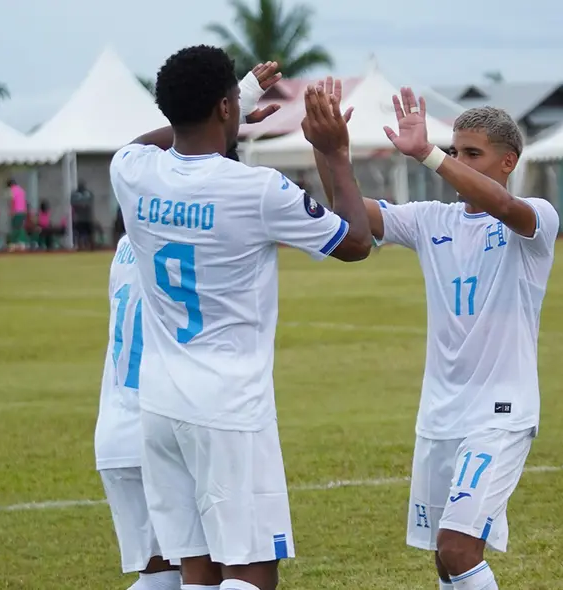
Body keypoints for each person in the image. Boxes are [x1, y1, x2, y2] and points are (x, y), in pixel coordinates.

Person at [110, 47, 372, 590]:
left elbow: (143, 143)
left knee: (199, 573)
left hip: (159, 405)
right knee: (252, 573)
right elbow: (356, 242)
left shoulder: (132, 173)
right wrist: (334, 152)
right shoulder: (256, 189)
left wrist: (235, 99)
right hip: (228, 406)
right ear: (225, 108)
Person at [314, 78, 559, 590]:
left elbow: (502, 206)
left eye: (473, 153)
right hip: (440, 415)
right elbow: (350, 220)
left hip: (499, 415)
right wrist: (331, 151)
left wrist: (427, 154)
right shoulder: (430, 219)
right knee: (444, 559)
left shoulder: (536, 219)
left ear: (508, 162)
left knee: (459, 547)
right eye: (455, 151)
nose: (459, 161)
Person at [96, 235, 181, 590]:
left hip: (115, 428)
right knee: (211, 571)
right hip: (167, 425)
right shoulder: (193, 233)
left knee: (162, 578)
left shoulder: (125, 243)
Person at [71, 180, 96, 251]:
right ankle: (80, 247)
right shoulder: (76, 194)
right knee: (79, 234)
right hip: (80, 218)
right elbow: (73, 203)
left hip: (87, 218)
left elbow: (90, 202)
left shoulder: (87, 193)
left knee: (89, 233)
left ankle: (90, 247)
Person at [7, 179, 28, 251]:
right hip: (22, 212)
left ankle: (13, 244)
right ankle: (21, 244)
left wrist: (12, 211)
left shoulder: (12, 190)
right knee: (20, 228)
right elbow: (24, 201)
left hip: (16, 212)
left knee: (15, 228)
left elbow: (13, 201)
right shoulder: (22, 190)